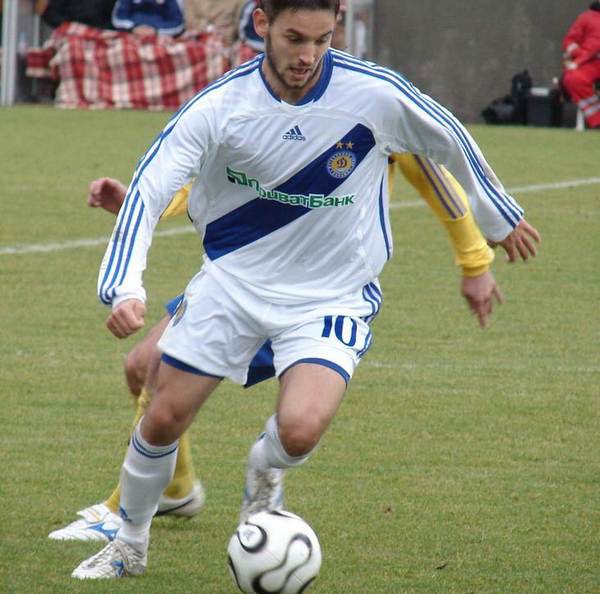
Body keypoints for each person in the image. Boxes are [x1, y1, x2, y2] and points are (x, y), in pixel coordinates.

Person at [72, 0, 540, 579]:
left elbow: (447, 138)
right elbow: (154, 185)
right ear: (261, 23)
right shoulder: (221, 106)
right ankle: (129, 545)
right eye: (295, 38)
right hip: (233, 286)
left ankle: (264, 476)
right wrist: (123, 286)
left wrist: (495, 218)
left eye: (323, 39)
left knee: (299, 429)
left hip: (330, 296)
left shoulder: (373, 94)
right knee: (162, 415)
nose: (308, 55)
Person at [51, 147, 527, 542]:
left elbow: (433, 173)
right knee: (142, 366)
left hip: (318, 292)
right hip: (244, 275)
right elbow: (231, 182)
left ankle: (143, 505)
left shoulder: (372, 100)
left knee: (291, 422)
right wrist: (145, 202)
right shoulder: (258, 99)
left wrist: (474, 261)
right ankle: (174, 491)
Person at [561, 0, 600, 129]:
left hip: (588, 60)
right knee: (574, 78)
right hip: (592, 62)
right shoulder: (585, 18)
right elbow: (570, 41)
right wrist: (580, 55)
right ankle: (597, 119)